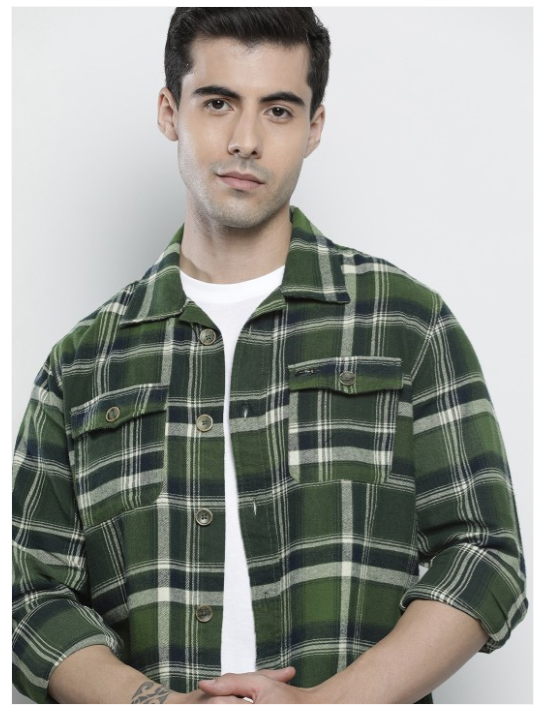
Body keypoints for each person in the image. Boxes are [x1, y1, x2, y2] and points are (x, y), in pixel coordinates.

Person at [12, 8, 527, 705]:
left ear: (314, 126)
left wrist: (325, 705)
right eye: (217, 102)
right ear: (169, 111)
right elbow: (30, 594)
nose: (246, 140)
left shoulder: (406, 325)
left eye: (279, 110)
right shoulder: (81, 365)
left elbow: (485, 555)